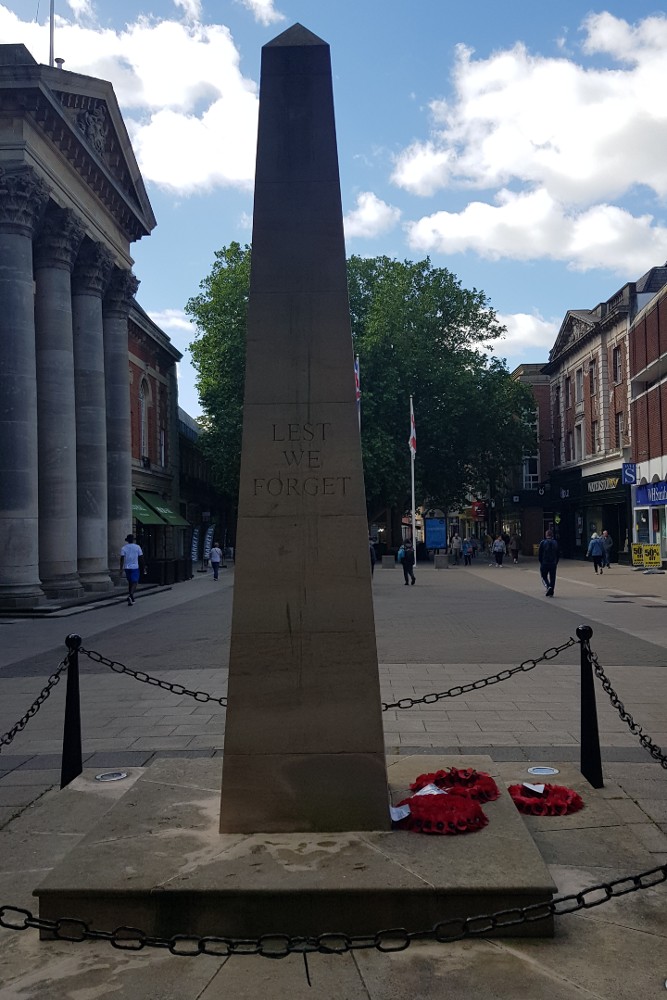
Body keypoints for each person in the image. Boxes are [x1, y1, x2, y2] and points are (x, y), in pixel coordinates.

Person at [119, 533, 146, 606]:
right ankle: (131, 595)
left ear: (127, 540)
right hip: (135, 567)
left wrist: (121, 569)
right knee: (135, 581)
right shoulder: (137, 547)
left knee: (130, 582)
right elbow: (141, 557)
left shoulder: (123, 548)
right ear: (133, 540)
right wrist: (143, 567)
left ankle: (131, 598)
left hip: (127, 567)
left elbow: (122, 559)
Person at [538, 528, 559, 597]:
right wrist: (556, 562)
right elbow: (558, 553)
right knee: (553, 577)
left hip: (545, 562)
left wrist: (541, 561)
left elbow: (540, 554)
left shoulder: (543, 542)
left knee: (543, 576)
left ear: (546, 535)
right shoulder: (555, 542)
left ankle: (548, 586)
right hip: (553, 563)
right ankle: (552, 590)